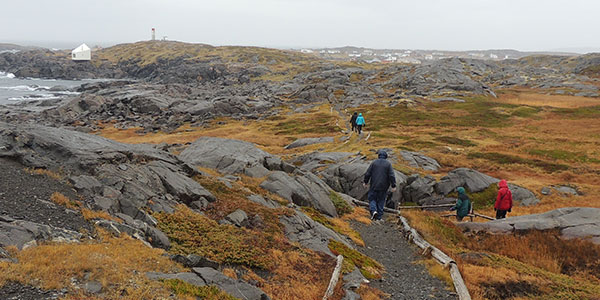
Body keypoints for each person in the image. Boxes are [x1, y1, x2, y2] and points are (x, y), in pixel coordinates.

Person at [363, 150, 397, 222]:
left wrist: (365, 182)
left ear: (379, 155)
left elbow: (368, 173)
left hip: (374, 185)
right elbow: (391, 175)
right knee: (381, 200)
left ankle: (374, 211)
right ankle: (379, 217)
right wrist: (393, 185)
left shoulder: (374, 163)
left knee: (372, 199)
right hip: (384, 187)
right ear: (386, 156)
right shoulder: (388, 164)